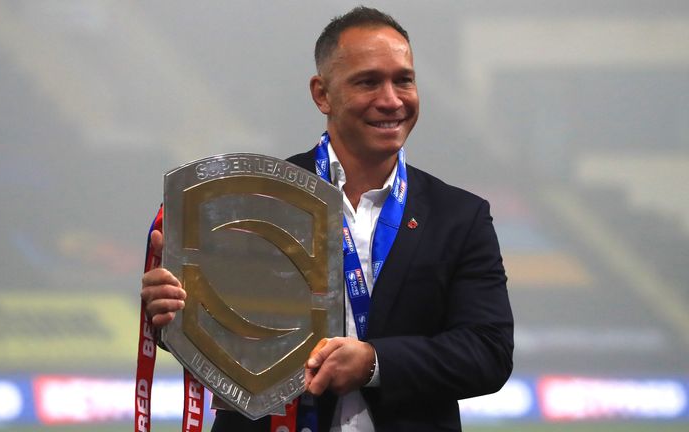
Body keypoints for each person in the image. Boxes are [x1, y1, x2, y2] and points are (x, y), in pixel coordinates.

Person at [141, 6, 513, 432]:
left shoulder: (459, 216)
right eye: (368, 81)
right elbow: (227, 334)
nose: (391, 99)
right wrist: (178, 314)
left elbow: (488, 352)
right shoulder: (251, 201)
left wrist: (374, 362)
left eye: (403, 79)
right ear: (322, 94)